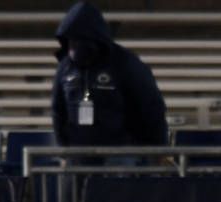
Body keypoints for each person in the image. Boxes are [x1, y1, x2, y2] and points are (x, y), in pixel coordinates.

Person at [51, 1, 168, 153]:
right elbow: (58, 110)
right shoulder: (66, 68)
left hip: (122, 153)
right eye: (70, 42)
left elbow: (151, 107)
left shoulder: (125, 63)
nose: (73, 49)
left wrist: (158, 148)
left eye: (77, 42)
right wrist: (63, 149)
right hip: (77, 154)